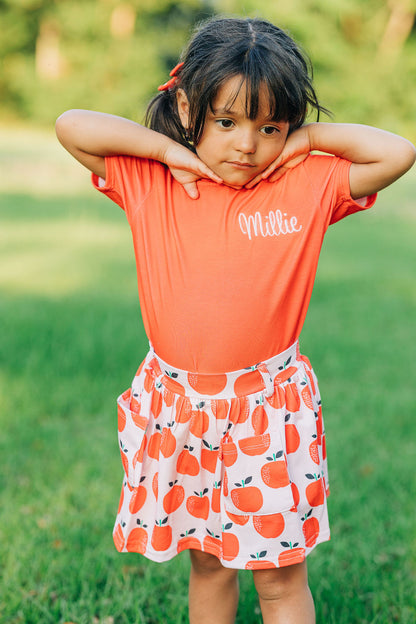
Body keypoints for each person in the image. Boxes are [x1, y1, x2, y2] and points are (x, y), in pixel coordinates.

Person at [55, 15, 415, 624]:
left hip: (267, 411)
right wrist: (169, 148)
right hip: (181, 410)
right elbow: (72, 127)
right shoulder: (152, 180)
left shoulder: (304, 184)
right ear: (192, 106)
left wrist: (304, 143)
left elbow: (398, 151)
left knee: (278, 576)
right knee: (210, 564)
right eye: (227, 122)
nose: (246, 144)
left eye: (268, 126)